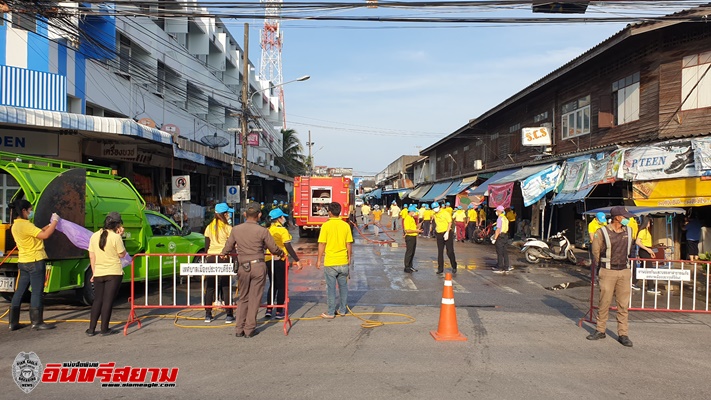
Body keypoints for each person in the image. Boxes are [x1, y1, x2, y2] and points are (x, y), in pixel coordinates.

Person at [221, 202, 285, 338]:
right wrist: (280, 253)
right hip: (258, 266)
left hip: (243, 266)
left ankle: (239, 329)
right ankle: (249, 329)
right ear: (259, 215)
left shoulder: (236, 229)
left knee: (243, 297)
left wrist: (224, 253)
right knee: (254, 298)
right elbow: (273, 248)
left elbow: (227, 247)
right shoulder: (263, 231)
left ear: (245, 214)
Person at [587, 206, 635, 347]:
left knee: (623, 304)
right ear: (617, 218)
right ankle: (600, 330)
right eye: (625, 216)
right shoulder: (601, 232)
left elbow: (630, 249)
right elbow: (596, 251)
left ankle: (623, 334)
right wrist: (603, 266)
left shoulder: (630, 231)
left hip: (624, 271)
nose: (628, 219)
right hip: (608, 271)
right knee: (604, 302)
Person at [8, 200, 60, 331]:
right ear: (24, 211)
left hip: (23, 262)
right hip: (35, 261)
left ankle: (12, 323)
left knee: (19, 291)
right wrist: (55, 222)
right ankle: (37, 322)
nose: (31, 212)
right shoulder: (26, 225)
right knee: (36, 292)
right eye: (30, 210)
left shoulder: (15, 226)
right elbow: (45, 235)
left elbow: (38, 232)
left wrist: (49, 224)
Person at [86, 212, 127, 336]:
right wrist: (120, 236)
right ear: (117, 225)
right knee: (108, 300)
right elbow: (122, 254)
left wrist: (94, 272)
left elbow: (91, 256)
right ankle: (104, 329)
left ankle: (91, 329)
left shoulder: (94, 236)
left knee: (97, 300)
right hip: (113, 272)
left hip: (99, 272)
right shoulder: (116, 237)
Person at [316, 202, 354, 318]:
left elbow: (322, 244)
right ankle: (342, 310)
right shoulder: (345, 225)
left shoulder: (326, 226)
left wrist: (318, 260)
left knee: (331, 289)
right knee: (343, 288)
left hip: (331, 262)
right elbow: (349, 244)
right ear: (339, 212)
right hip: (343, 262)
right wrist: (349, 258)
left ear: (330, 212)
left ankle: (331, 312)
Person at [265, 208, 301, 320]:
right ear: (279, 218)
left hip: (268, 259)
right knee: (281, 285)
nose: (284, 219)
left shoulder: (268, 229)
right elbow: (288, 246)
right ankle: (279, 311)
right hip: (280, 259)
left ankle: (269, 309)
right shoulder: (282, 231)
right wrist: (297, 259)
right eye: (283, 217)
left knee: (273, 284)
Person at [203, 203, 235, 324]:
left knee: (210, 286)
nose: (229, 215)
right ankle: (229, 315)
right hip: (224, 257)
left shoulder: (209, 227)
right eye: (227, 213)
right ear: (224, 214)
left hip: (211, 258)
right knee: (226, 286)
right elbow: (231, 246)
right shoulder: (228, 228)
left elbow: (206, 246)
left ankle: (207, 315)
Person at [634, 217, 661, 295]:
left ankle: (634, 282)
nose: (650, 224)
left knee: (643, 268)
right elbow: (638, 242)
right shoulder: (642, 231)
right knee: (649, 269)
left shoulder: (647, 231)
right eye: (649, 222)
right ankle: (650, 287)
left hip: (648, 249)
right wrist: (647, 249)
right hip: (644, 250)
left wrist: (650, 250)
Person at [432, 201, 457, 275]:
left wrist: (447, 232)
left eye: (436, 207)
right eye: (433, 208)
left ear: (439, 207)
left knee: (449, 251)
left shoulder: (445, 213)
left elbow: (450, 222)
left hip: (447, 233)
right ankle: (440, 269)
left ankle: (454, 266)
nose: (435, 209)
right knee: (440, 252)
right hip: (439, 233)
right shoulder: (434, 214)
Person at [492, 205, 512, 274]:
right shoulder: (505, 218)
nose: (496, 212)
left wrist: (495, 238)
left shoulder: (500, 218)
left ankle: (500, 267)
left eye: (497, 211)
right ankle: (506, 266)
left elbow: (498, 229)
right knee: (505, 252)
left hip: (500, 236)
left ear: (500, 211)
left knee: (499, 252)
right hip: (505, 236)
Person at [403, 205, 422, 273]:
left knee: (412, 252)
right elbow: (407, 230)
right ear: (411, 211)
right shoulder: (407, 219)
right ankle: (407, 267)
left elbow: (412, 228)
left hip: (413, 236)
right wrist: (417, 231)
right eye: (414, 212)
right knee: (409, 252)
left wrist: (418, 227)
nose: (415, 213)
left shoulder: (411, 218)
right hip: (410, 237)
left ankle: (410, 266)